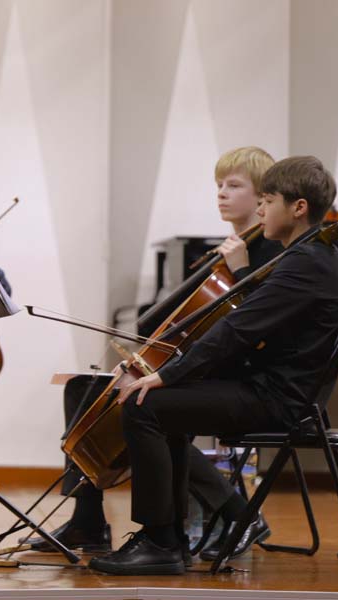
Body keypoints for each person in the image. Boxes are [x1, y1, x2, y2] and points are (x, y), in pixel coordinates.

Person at [89, 156, 338, 575]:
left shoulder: (305, 264)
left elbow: (236, 329)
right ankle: (170, 541)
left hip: (279, 400)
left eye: (268, 200)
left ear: (298, 207)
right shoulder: (316, 256)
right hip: (281, 391)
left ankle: (161, 542)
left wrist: (165, 375)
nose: (261, 210)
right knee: (162, 405)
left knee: (144, 406)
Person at [27, 147, 281, 558]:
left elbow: (257, 321)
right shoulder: (230, 248)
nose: (221, 193)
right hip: (196, 364)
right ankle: (86, 521)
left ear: (262, 197)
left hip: (229, 374)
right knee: (81, 389)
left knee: (143, 405)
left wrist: (239, 269)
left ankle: (235, 512)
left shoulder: (268, 250)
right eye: (219, 184)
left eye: (234, 185)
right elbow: (176, 323)